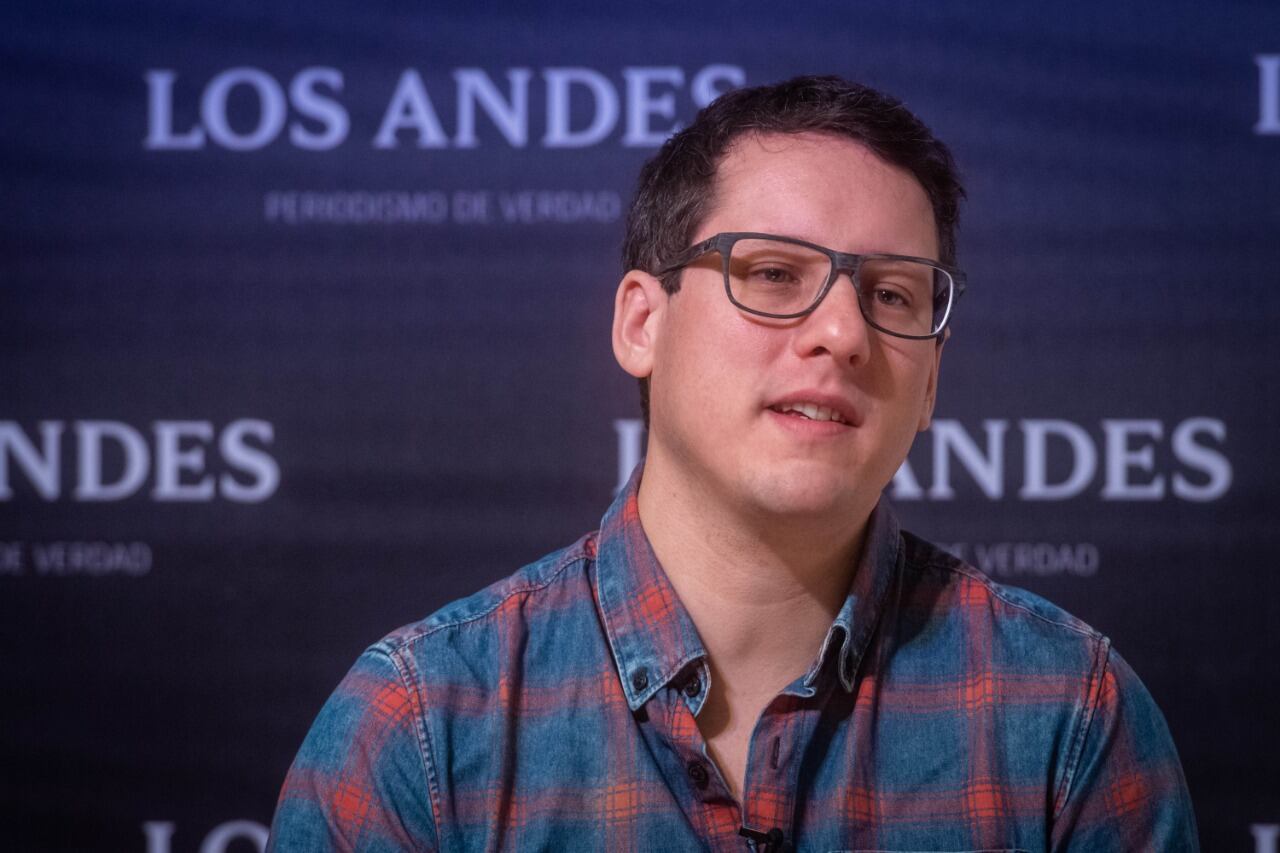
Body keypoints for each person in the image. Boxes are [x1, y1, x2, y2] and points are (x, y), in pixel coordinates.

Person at [266, 75, 1198, 852]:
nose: (842, 333)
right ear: (643, 322)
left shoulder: (1069, 718)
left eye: (892, 294)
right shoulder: (422, 729)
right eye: (774, 274)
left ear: (930, 387)